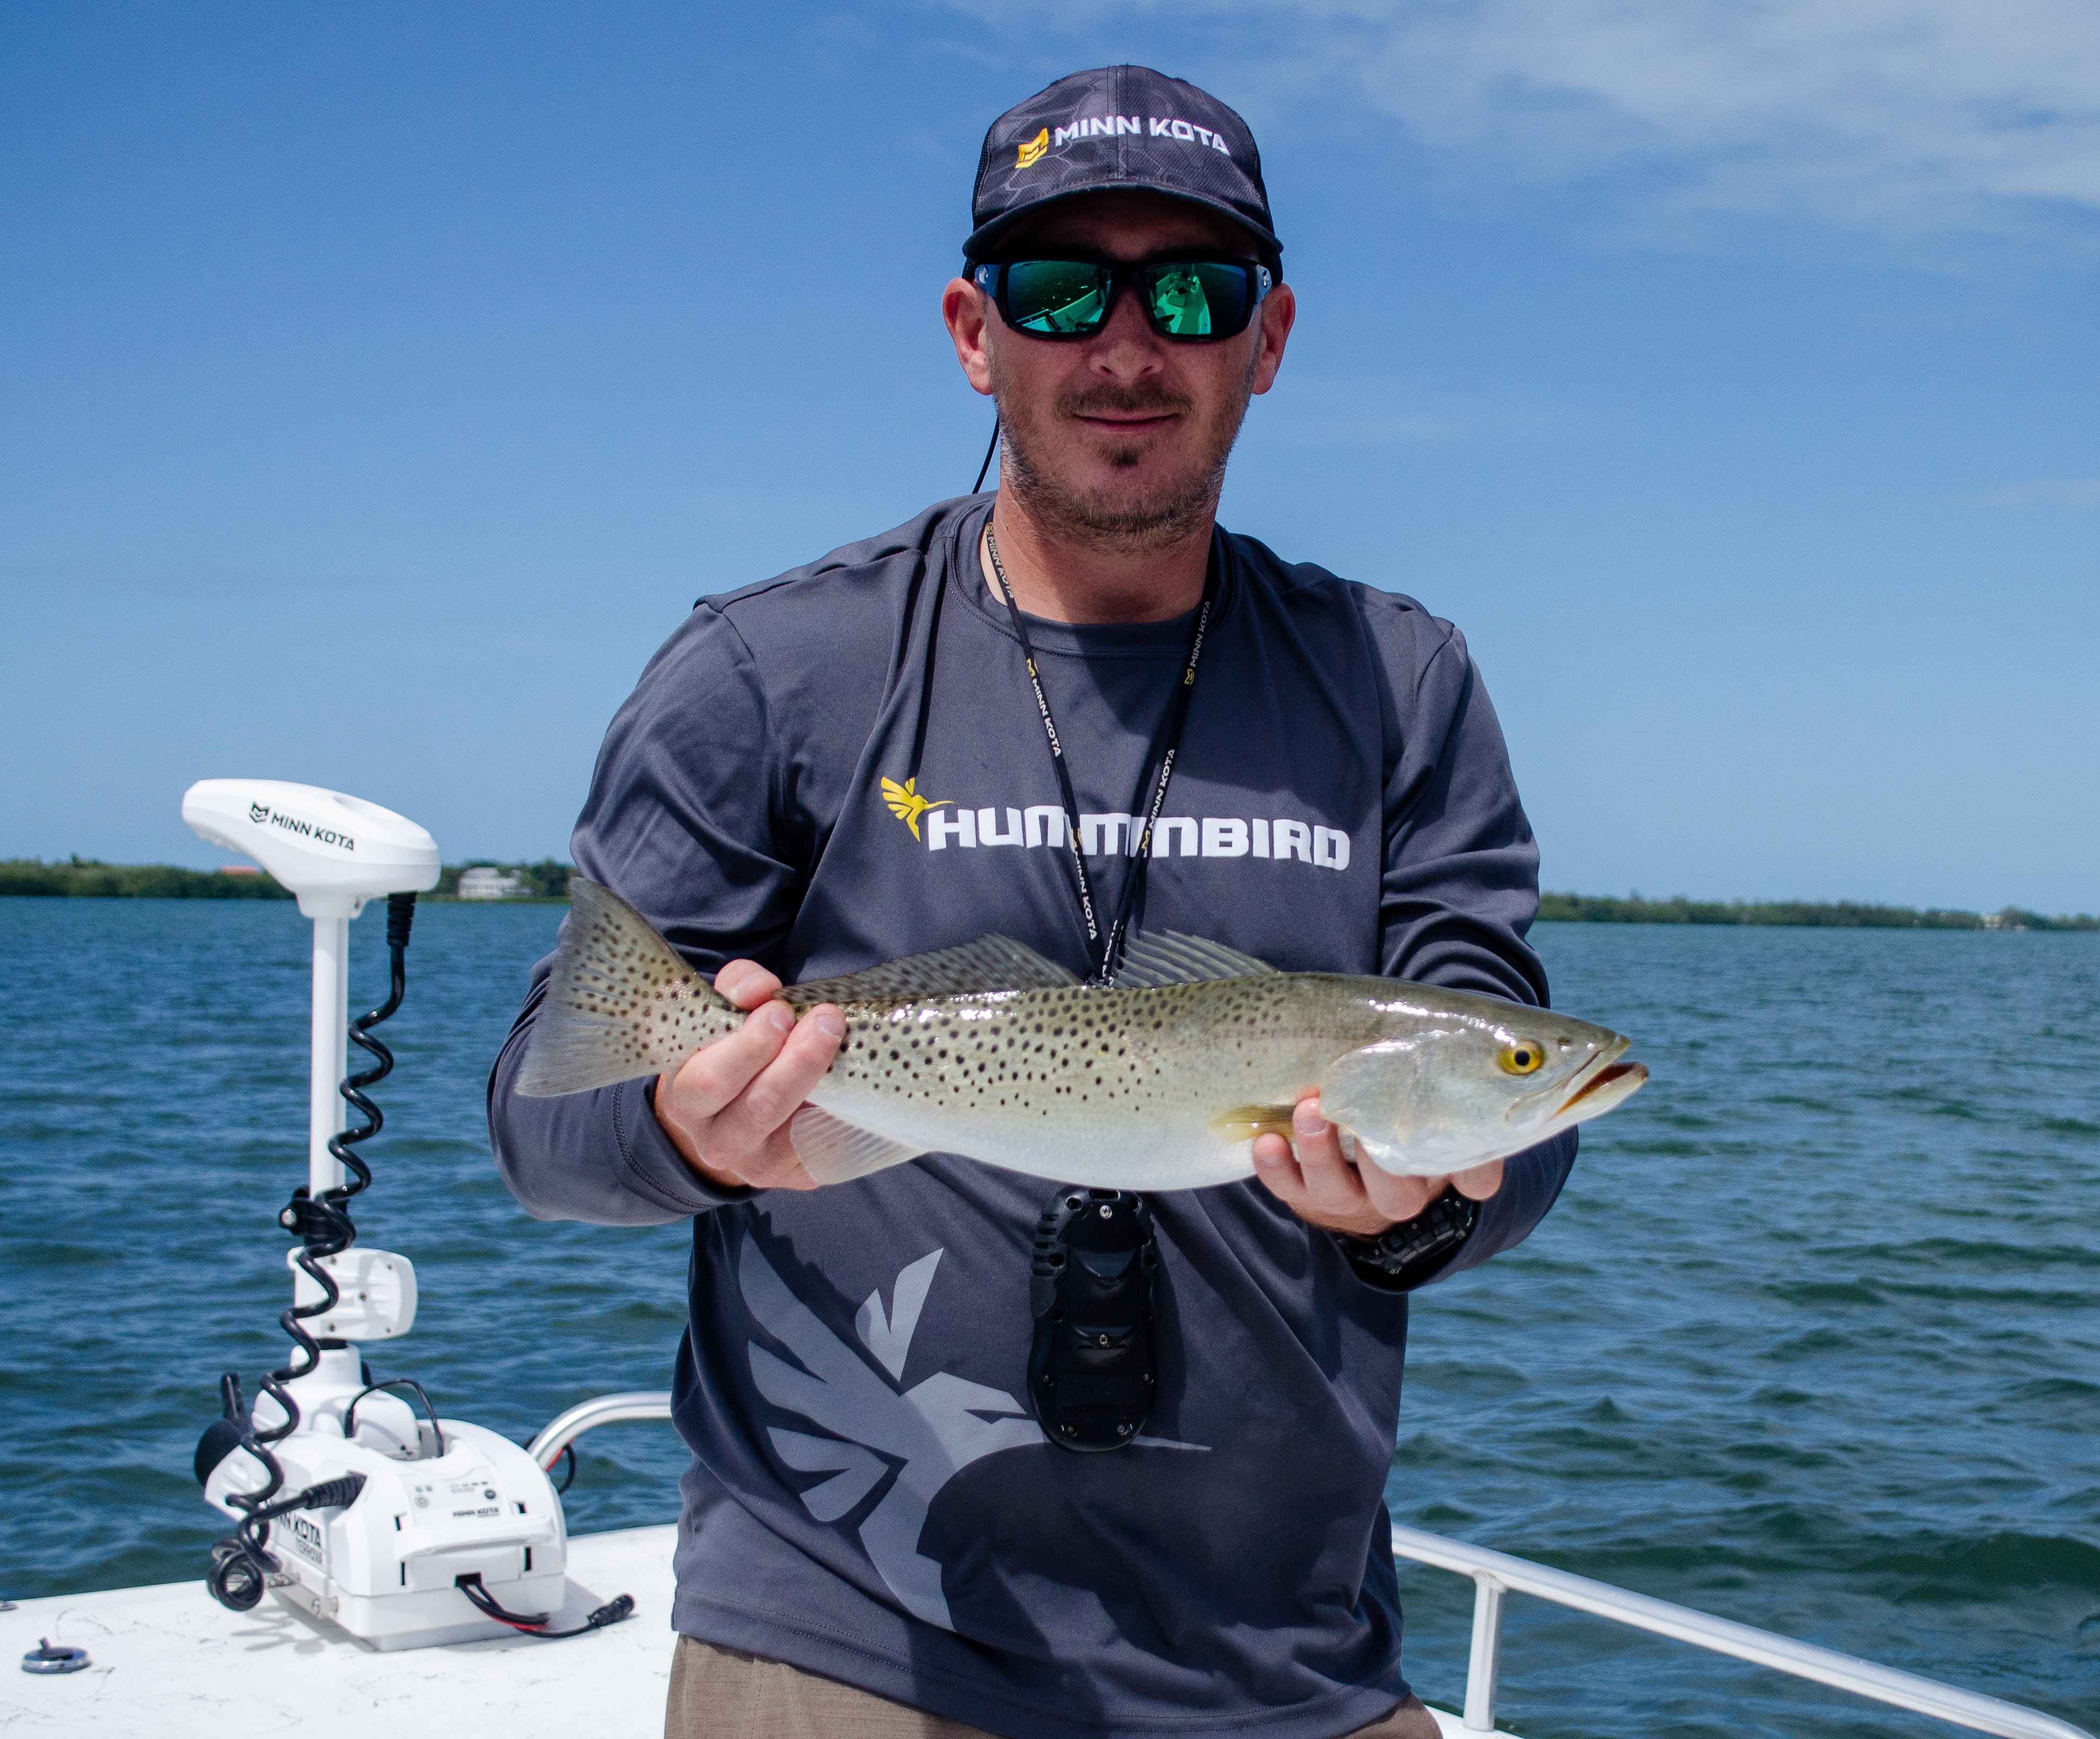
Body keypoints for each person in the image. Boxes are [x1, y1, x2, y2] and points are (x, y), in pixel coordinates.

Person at [490, 64, 1578, 1739]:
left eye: (1192, 292)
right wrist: (700, 1131)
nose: (1126, 347)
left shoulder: (1402, 681)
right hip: (841, 1645)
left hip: (1290, 1664)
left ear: (1269, 338)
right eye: (1062, 288)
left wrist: (1428, 1203)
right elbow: (544, 1130)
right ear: (971, 331)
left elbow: (1505, 1096)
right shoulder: (768, 671)